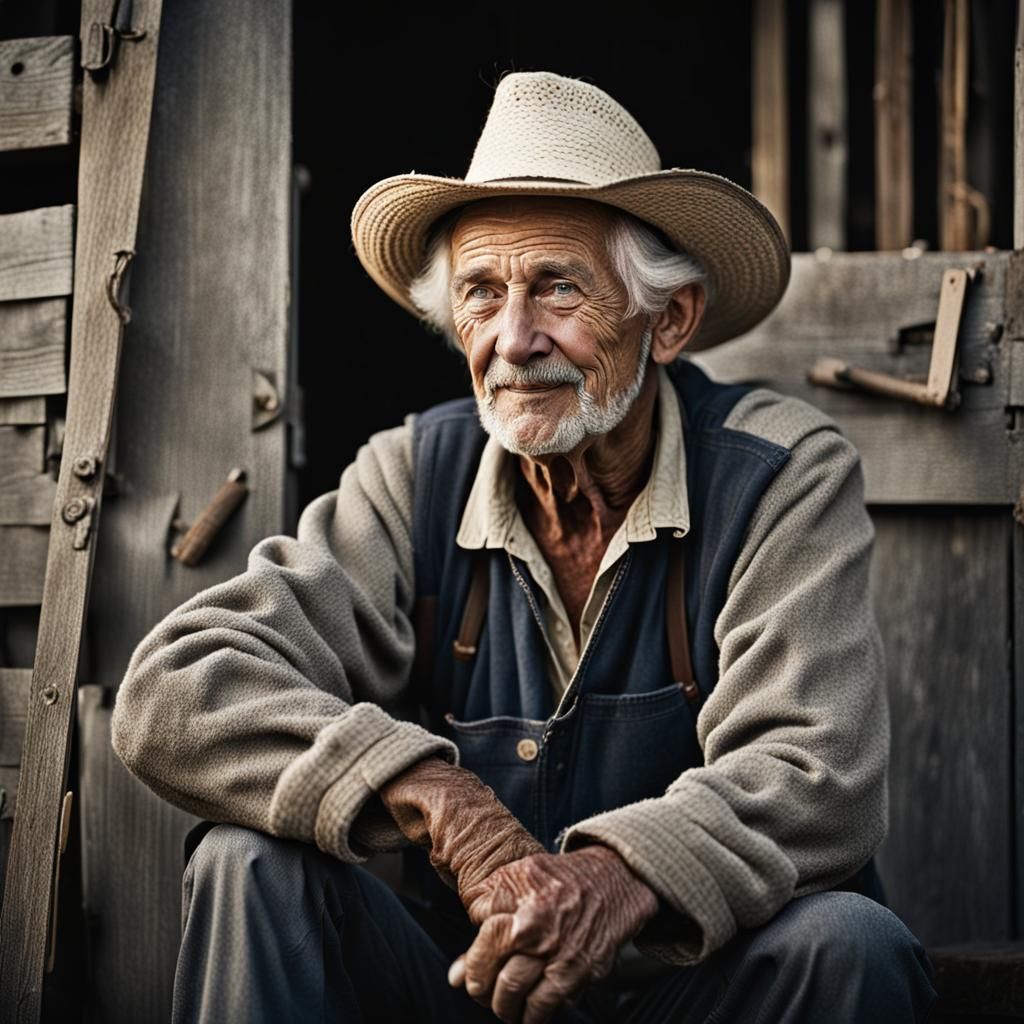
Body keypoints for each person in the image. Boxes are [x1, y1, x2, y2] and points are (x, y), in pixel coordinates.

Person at [111, 70, 937, 1022]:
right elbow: (175, 688)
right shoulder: (413, 476)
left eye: (556, 288)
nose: (512, 339)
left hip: (688, 996)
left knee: (850, 946)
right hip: (471, 993)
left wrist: (604, 882)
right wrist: (439, 800)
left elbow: (814, 772)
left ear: (666, 321)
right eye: (480, 293)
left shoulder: (776, 474)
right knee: (244, 861)